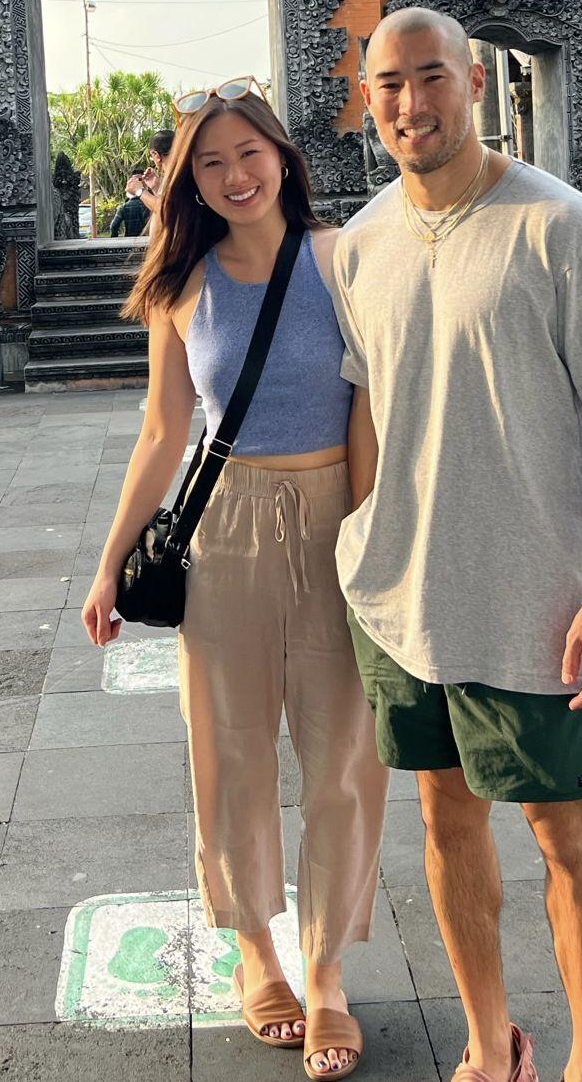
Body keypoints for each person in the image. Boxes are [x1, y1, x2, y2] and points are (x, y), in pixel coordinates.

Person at [329, 9, 582, 1082]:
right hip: (404, 598)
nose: (409, 104)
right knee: (444, 820)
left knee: (563, 835)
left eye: (429, 76)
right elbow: (368, 402)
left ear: (473, 81)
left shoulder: (557, 226)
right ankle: (489, 1042)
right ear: (367, 97)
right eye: (388, 84)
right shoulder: (362, 240)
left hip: (537, 598)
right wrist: (364, 536)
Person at [83, 82, 387, 1079]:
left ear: (282, 156)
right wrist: (109, 561)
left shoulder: (344, 257)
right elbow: (161, 431)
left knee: (343, 757)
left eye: (247, 152)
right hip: (225, 529)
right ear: (188, 181)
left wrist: (377, 538)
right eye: (209, 162)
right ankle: (257, 950)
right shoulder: (182, 284)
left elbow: (376, 406)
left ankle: (327, 970)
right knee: (230, 751)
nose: (233, 175)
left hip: (340, 513)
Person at [138, 127, 173, 234]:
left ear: (156, 155)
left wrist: (139, 191)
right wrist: (156, 187)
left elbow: (165, 209)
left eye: (152, 156)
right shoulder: (171, 176)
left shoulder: (179, 175)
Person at [108, 173, 151, 237]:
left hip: (129, 240)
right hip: (146, 240)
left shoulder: (124, 207)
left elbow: (113, 226)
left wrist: (114, 238)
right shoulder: (149, 206)